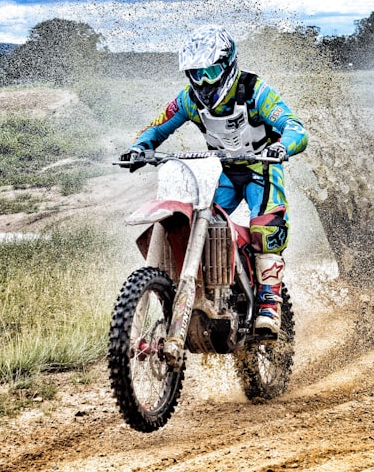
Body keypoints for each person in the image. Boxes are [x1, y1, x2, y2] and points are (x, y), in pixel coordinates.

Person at [120, 25, 308, 337]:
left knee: (266, 227)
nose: (204, 81)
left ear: (229, 65)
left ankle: (267, 303)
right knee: (197, 222)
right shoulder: (189, 99)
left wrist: (282, 146)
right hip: (220, 172)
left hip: (261, 167)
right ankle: (205, 287)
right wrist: (139, 148)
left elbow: (294, 127)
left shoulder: (254, 90)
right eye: (197, 73)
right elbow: (158, 126)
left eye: (211, 72)